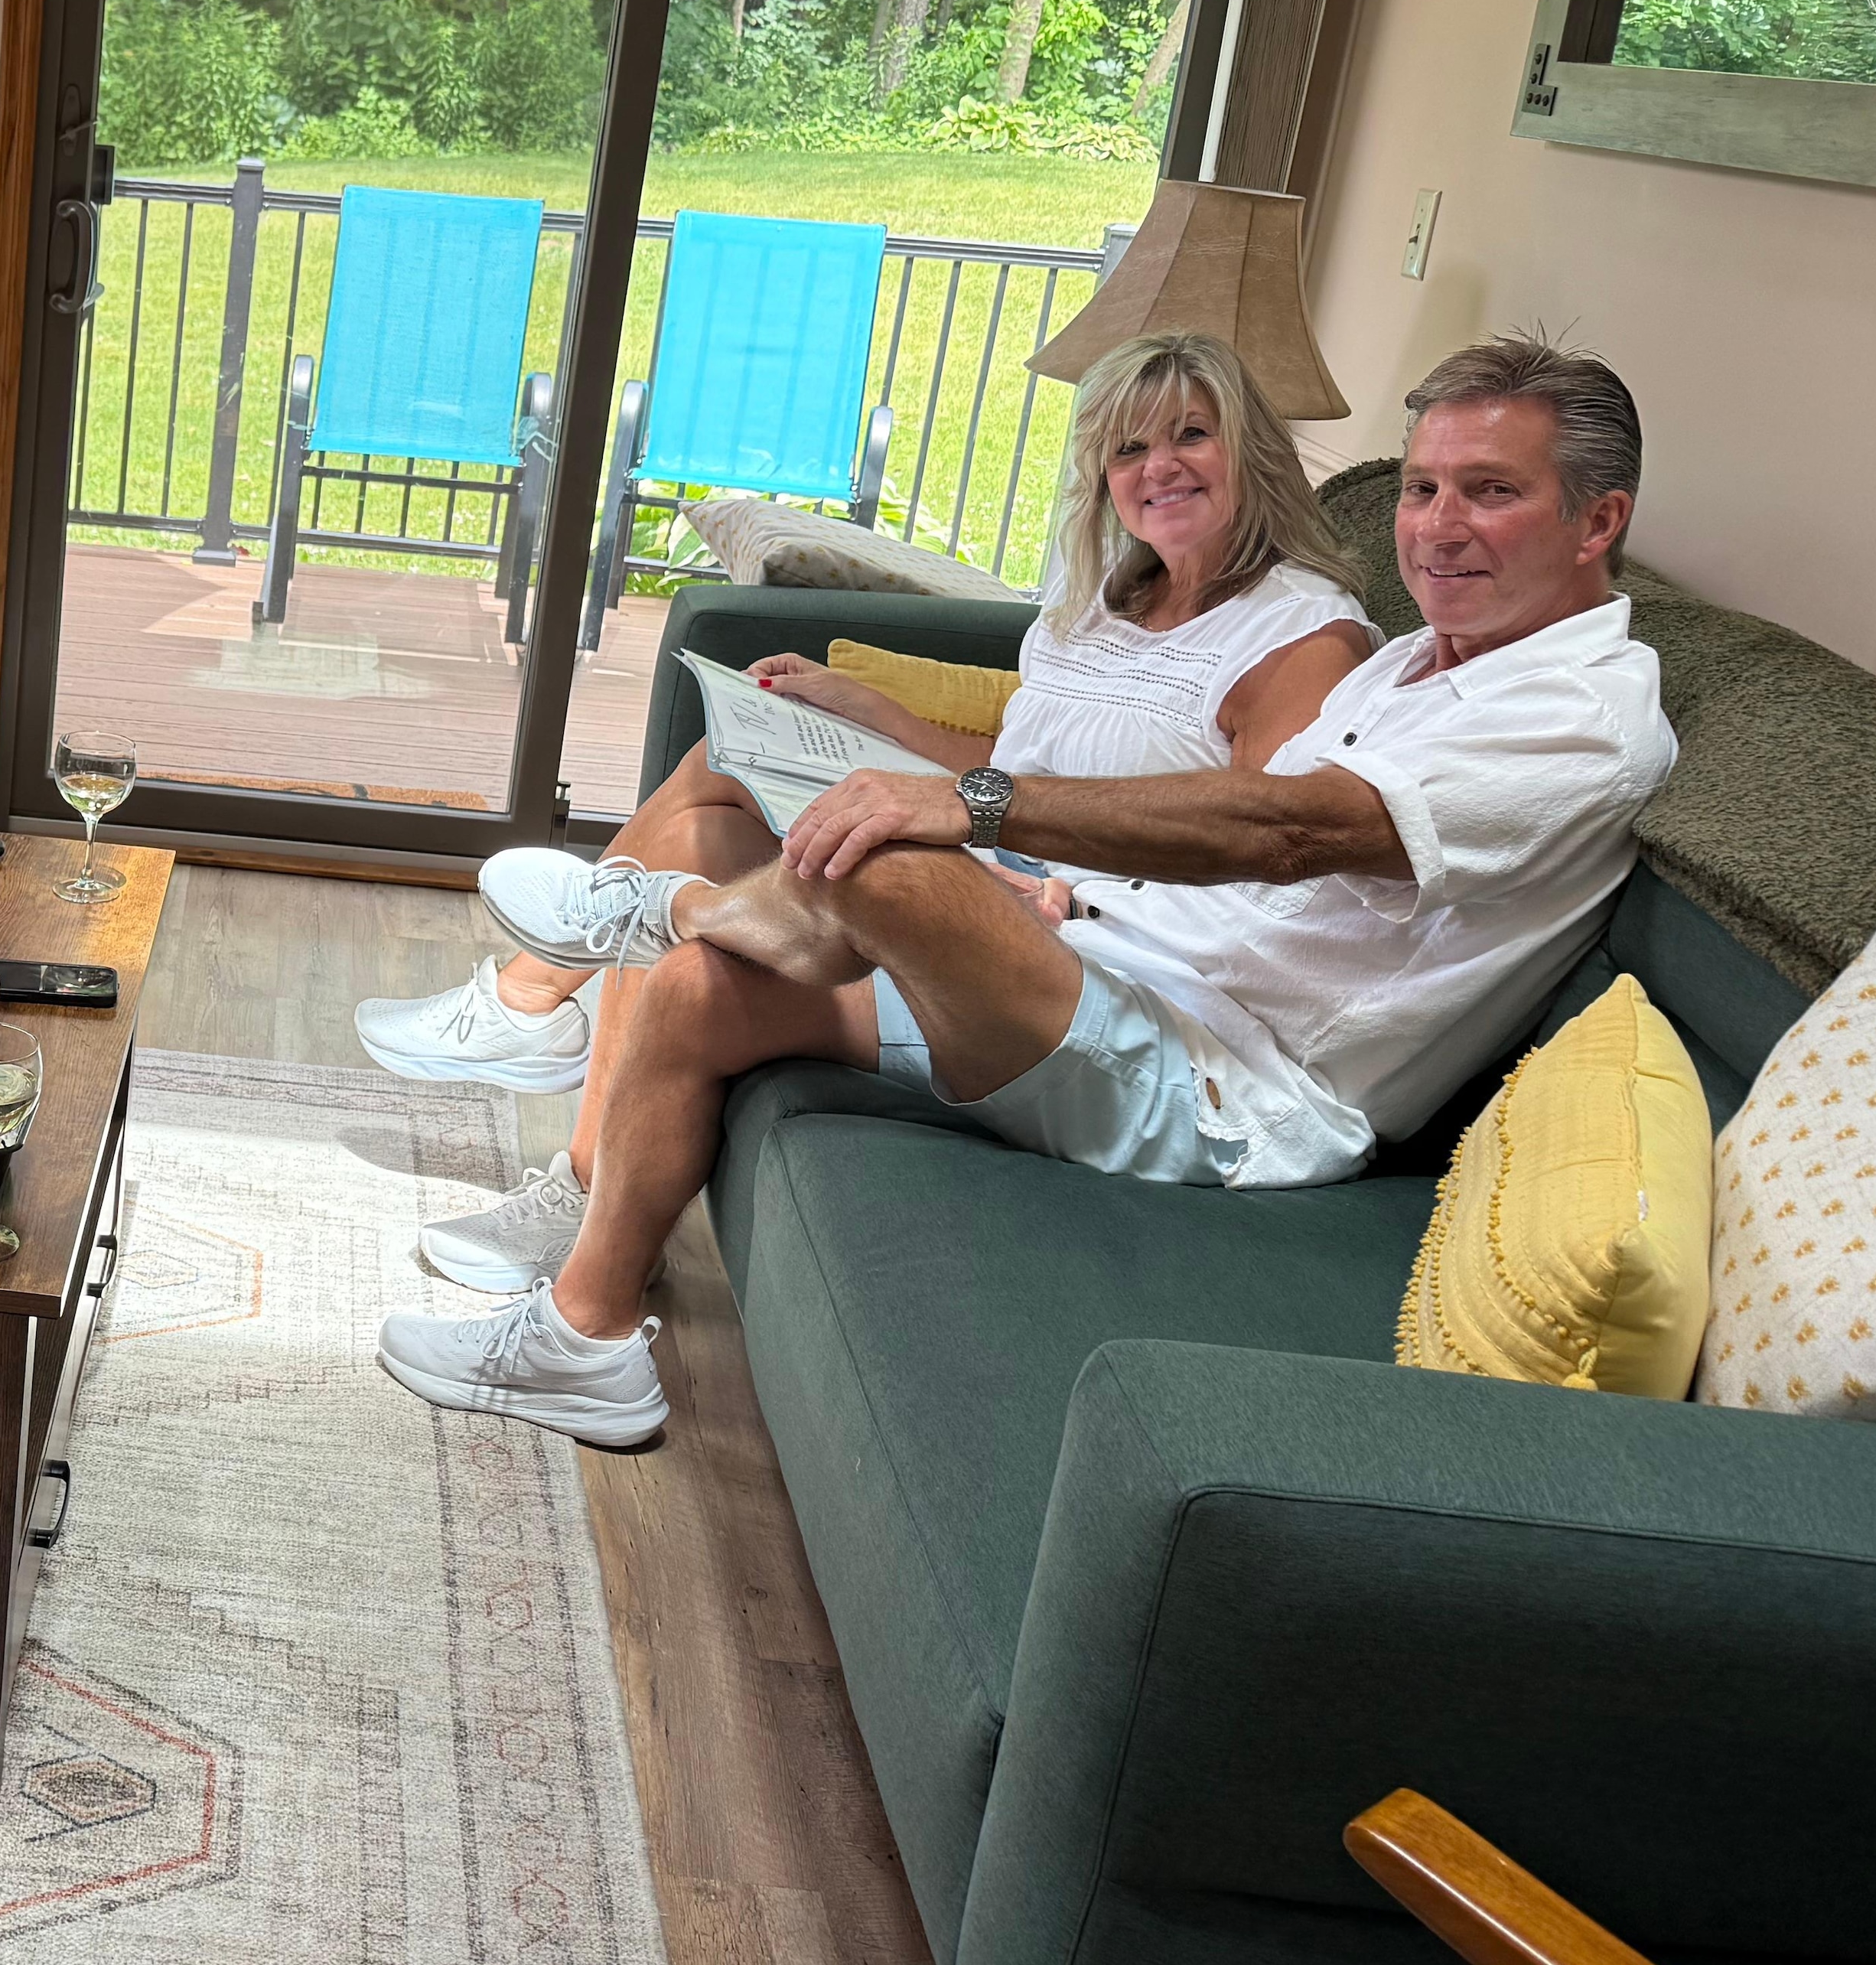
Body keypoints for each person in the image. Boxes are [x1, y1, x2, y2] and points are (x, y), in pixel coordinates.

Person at [377, 331, 1674, 1448]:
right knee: (697, 991)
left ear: (1596, 520)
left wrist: (979, 810)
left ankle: (670, 907)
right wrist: (1055, 891)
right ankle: (587, 1335)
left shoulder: (1578, 716)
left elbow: (1286, 828)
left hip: (1230, 1086)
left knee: (884, 849)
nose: (1438, 526)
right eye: (1427, 488)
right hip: (1114, 961)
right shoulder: (1421, 660)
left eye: (1491, 492)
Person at [379, 330, 1376, 1292]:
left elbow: (1255, 858)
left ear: (1251, 449)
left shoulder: (1297, 635)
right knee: (715, 778)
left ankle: (546, 1052)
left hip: (1079, 940)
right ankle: (538, 1032)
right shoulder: (1106, 604)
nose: (1159, 466)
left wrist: (1066, 893)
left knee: (711, 935)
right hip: (1009, 866)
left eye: (1191, 434)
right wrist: (871, 713)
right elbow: (1016, 772)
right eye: (1130, 447)